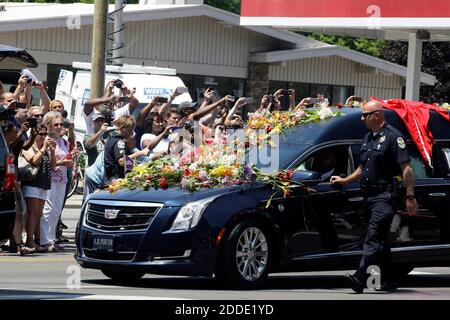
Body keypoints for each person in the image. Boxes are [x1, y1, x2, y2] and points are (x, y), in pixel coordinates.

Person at [330, 100, 418, 293]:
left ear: (377, 115)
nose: (362, 119)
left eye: (365, 115)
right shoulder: (368, 138)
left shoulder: (394, 137)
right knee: (381, 240)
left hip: (385, 196)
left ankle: (359, 278)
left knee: (373, 237)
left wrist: (410, 195)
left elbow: (407, 168)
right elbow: (362, 168)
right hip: (368, 196)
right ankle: (390, 279)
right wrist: (345, 181)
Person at [22, 123, 56, 251]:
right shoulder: (28, 146)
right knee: (32, 213)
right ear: (34, 134)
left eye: (45, 134)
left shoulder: (45, 148)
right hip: (32, 183)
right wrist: (44, 149)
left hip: (43, 184)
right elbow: (34, 160)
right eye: (40, 134)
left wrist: (52, 151)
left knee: (38, 214)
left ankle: (36, 240)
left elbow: (53, 165)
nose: (43, 136)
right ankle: (29, 241)